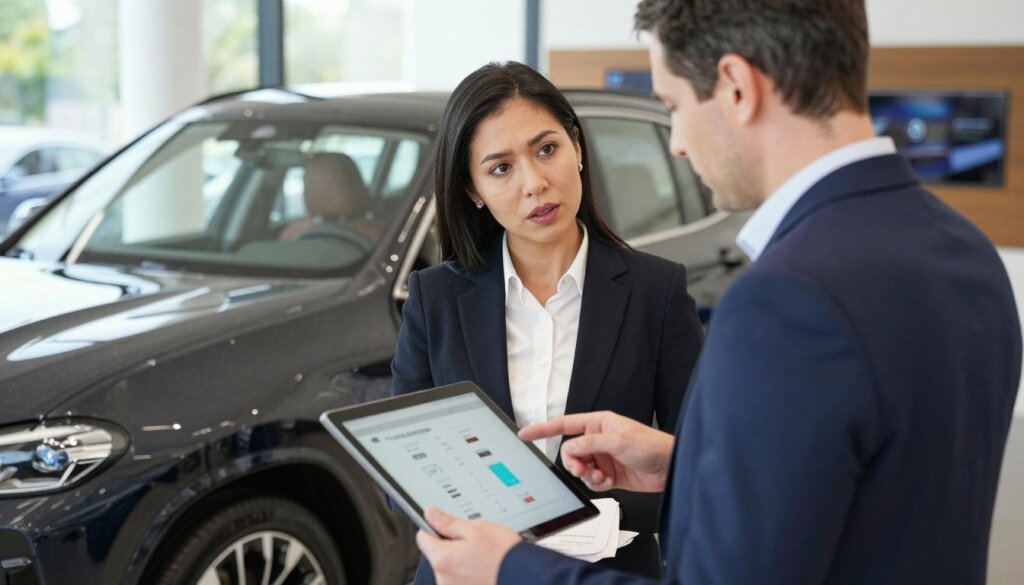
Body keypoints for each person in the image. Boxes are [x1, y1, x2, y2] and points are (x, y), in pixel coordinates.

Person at [413, 1, 1024, 584]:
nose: (676, 141)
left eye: (673, 104)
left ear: (735, 86)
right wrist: (682, 464)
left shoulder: (786, 298)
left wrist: (509, 569)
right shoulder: (965, 252)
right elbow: (864, 498)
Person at [391, 61, 705, 583]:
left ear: (576, 147)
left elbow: (700, 466)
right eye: (500, 168)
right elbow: (402, 475)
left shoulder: (657, 291)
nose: (534, 183)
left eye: (546, 150)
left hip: (603, 571)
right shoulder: (435, 298)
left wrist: (605, 515)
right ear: (473, 190)